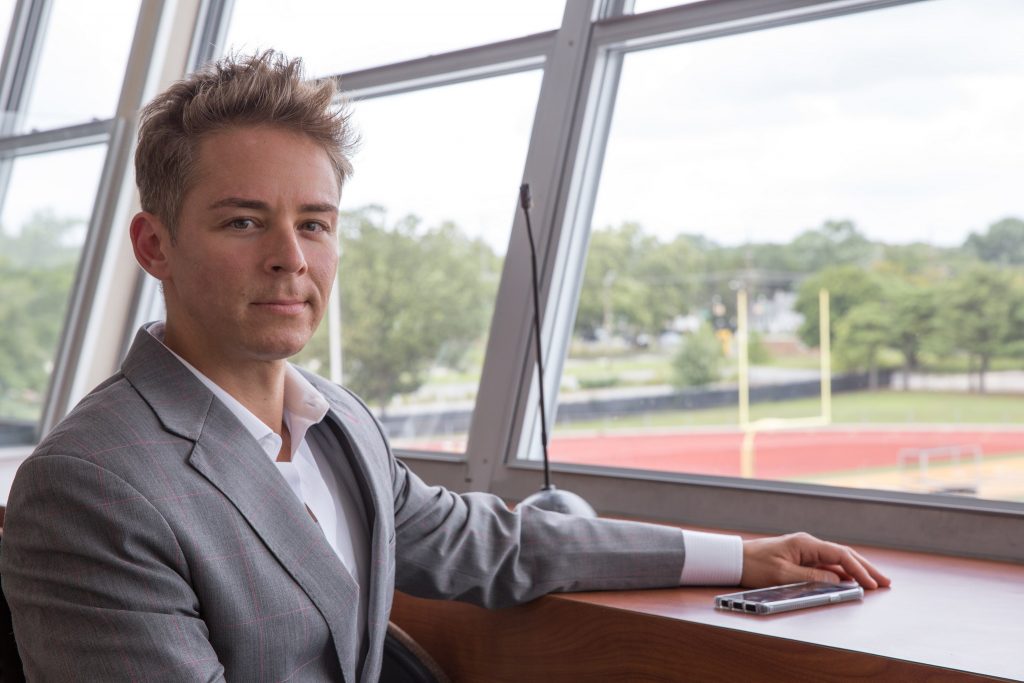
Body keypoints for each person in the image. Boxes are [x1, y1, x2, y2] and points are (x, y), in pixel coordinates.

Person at [0, 51, 889, 682]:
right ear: (153, 245)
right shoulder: (91, 485)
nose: (291, 258)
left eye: (314, 222)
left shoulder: (336, 420)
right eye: (243, 221)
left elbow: (493, 541)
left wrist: (739, 554)